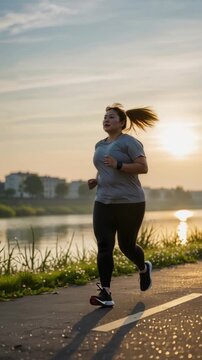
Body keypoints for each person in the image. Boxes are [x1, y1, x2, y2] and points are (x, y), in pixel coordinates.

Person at [88, 103, 158, 307]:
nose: (106, 120)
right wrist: (96, 180)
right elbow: (103, 168)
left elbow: (143, 167)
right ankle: (106, 293)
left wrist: (119, 165)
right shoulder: (99, 145)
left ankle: (143, 268)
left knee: (126, 246)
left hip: (130, 203)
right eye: (104, 117)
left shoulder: (130, 142)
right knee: (104, 246)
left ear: (122, 122)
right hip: (103, 202)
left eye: (111, 117)